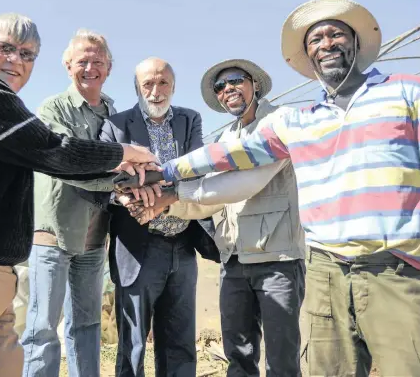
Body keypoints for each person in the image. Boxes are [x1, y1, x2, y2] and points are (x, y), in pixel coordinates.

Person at [130, 0, 420, 377]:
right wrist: (163, 171)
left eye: (336, 34)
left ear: (357, 42)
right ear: (308, 56)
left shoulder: (407, 93)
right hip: (325, 269)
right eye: (315, 40)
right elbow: (226, 155)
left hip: (391, 267)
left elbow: (242, 182)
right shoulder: (300, 123)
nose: (326, 44)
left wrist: (169, 191)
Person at [0, 13, 157, 377]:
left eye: (27, 55)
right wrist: (125, 156)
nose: (16, 60)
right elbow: (52, 151)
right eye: (6, 48)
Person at [129, 59, 306, 376]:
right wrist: (163, 205)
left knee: (281, 360)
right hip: (234, 258)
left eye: (236, 81)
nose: (228, 90)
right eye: (220, 87)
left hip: (276, 256)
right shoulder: (226, 138)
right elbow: (209, 199)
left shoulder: (280, 121)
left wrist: (170, 192)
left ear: (255, 84)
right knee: (238, 356)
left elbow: (242, 184)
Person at [100, 57, 220, 377]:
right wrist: (131, 193)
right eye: (148, 84)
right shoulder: (116, 125)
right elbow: (107, 177)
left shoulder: (189, 119)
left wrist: (157, 191)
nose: (156, 91)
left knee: (180, 341)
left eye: (163, 82)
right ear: (137, 88)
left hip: (182, 242)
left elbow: (197, 168)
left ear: (174, 86)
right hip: (139, 244)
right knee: (134, 343)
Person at [21, 29, 117, 377]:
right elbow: (68, 164)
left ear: (108, 67)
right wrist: (119, 177)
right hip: (54, 232)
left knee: (87, 324)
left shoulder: (113, 113)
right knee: (43, 326)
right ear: (67, 66)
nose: (90, 67)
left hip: (94, 237)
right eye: (82, 61)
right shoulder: (52, 108)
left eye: (97, 61)